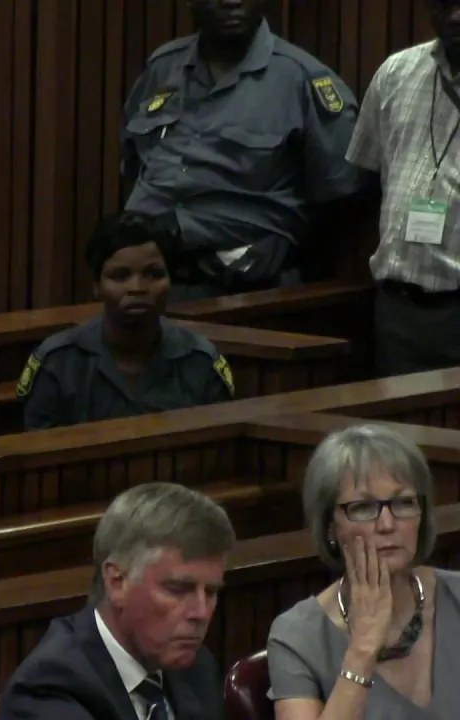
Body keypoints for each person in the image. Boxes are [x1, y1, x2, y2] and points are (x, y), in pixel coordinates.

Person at [123, 0, 363, 301]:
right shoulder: (163, 65)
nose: (232, 1)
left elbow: (341, 200)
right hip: (145, 278)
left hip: (242, 286)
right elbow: (134, 161)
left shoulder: (302, 78)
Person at [0, 482, 233, 719]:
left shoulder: (197, 669)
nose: (201, 613)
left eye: (211, 592)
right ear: (117, 582)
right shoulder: (49, 689)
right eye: (178, 590)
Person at [268, 424, 458, 718]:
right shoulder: (298, 635)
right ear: (330, 527)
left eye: (403, 503)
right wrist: (363, 649)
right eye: (363, 508)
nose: (387, 524)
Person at [19, 211, 233, 430]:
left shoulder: (201, 362)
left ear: (170, 281)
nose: (137, 288)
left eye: (154, 274)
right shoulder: (57, 363)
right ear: (96, 286)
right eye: (120, 276)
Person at [347, 1, 460, 378]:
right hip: (399, 311)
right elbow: (366, 180)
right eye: (446, 3)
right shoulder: (396, 72)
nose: (456, 15)